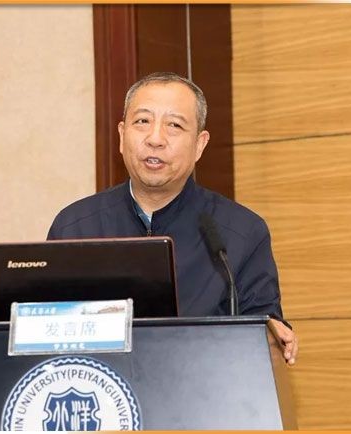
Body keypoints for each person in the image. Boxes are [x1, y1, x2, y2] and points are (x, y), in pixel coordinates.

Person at [47, 72, 298, 364]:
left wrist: (273, 336)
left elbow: (265, 332)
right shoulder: (74, 227)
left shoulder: (240, 232)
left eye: (174, 125)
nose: (155, 139)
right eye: (142, 121)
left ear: (200, 144)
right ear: (121, 135)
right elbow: (44, 333)